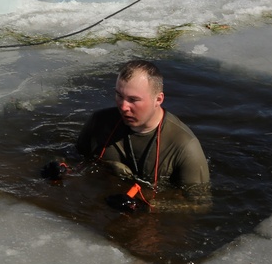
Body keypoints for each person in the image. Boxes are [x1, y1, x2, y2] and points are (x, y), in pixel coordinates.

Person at [72, 59, 210, 207]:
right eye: (119, 96)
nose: (124, 107)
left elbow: (200, 204)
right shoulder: (98, 122)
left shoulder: (185, 146)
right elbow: (75, 158)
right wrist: (61, 169)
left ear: (158, 99)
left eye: (133, 100)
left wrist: (143, 205)